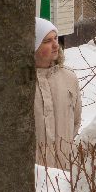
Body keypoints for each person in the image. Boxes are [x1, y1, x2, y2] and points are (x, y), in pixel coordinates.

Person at [35, 18, 82, 170]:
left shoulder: (69, 78)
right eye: (47, 41)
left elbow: (75, 121)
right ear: (33, 46)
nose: (56, 45)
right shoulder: (18, 83)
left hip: (63, 172)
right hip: (32, 174)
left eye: (56, 38)